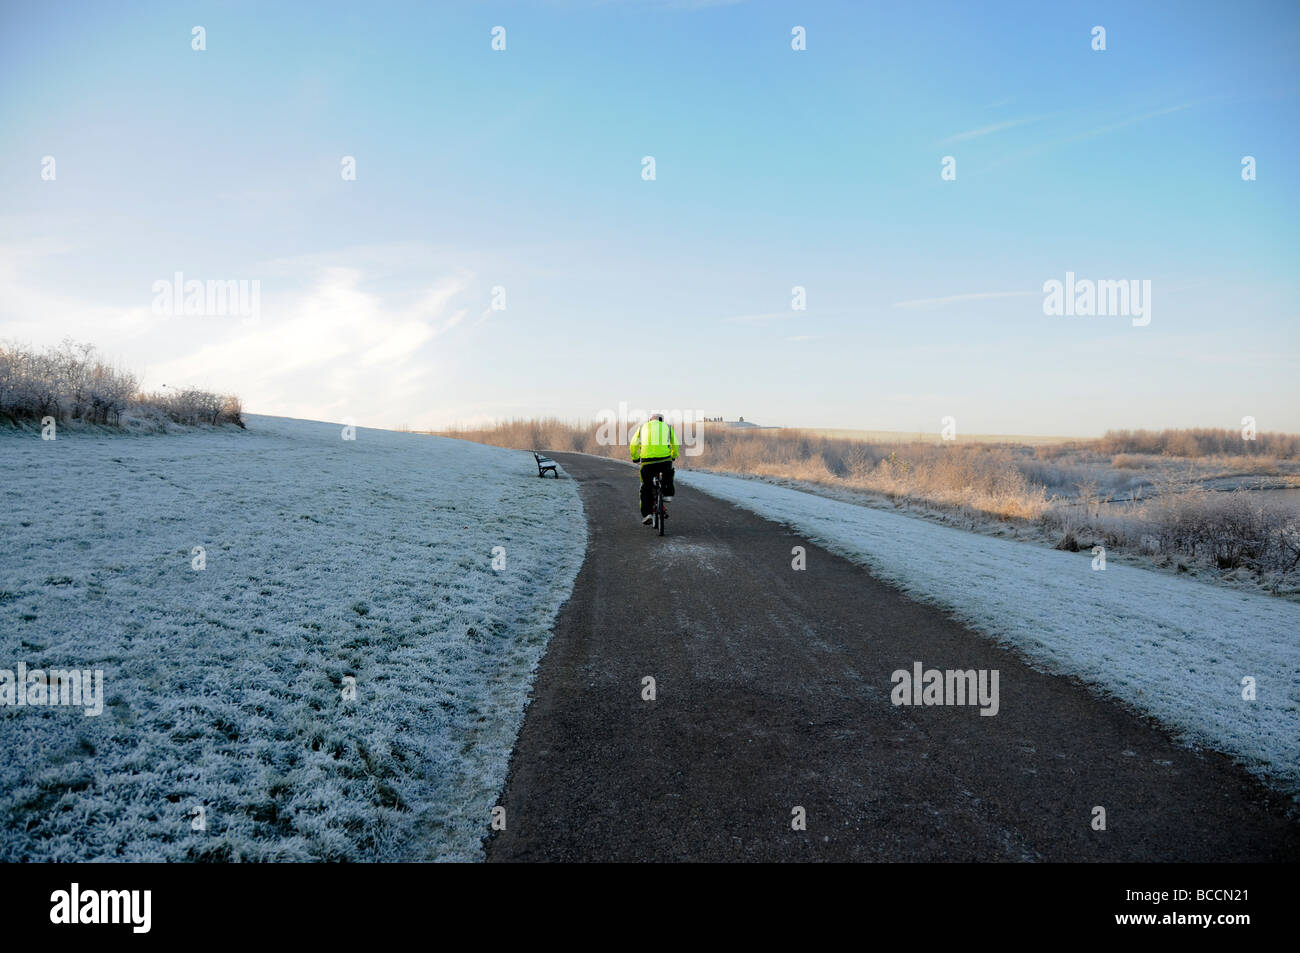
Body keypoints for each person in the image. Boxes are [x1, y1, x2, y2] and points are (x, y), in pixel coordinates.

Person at [629, 413, 678, 525]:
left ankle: (647, 514)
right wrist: (674, 455)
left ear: (650, 420)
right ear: (662, 420)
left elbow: (633, 444)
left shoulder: (642, 427)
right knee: (668, 474)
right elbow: (675, 443)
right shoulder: (667, 427)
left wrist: (635, 457)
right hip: (664, 460)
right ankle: (668, 494)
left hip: (647, 461)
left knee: (646, 486)